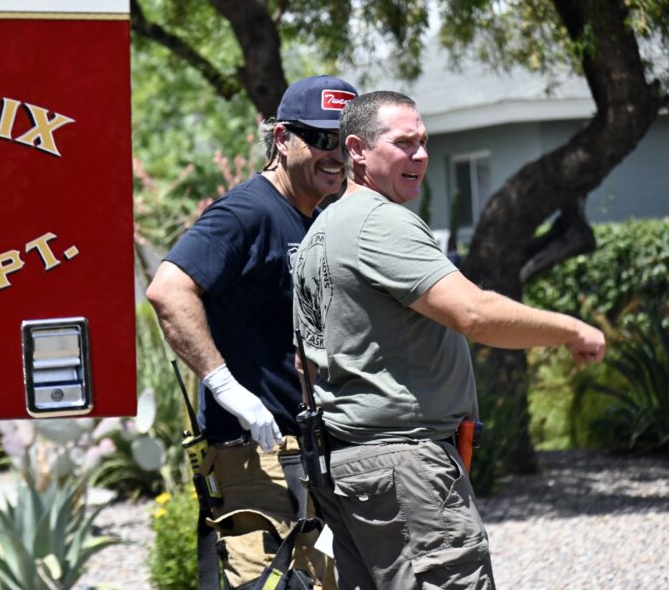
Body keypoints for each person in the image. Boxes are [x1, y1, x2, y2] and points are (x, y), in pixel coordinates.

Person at [291, 90, 606, 590]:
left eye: (423, 142)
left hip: (346, 469)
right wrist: (573, 329)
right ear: (356, 150)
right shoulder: (381, 222)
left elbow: (304, 362)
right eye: (403, 143)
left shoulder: (318, 235)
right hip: (403, 468)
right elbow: (474, 313)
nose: (419, 155)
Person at [147, 74, 358, 589]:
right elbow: (169, 290)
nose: (335, 155)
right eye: (321, 139)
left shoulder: (310, 218)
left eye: (346, 142)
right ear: (282, 138)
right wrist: (226, 388)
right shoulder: (247, 211)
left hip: (302, 453)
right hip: (255, 456)